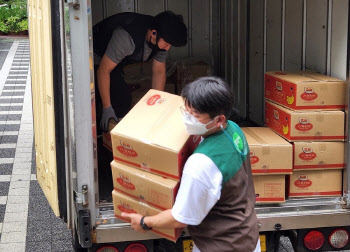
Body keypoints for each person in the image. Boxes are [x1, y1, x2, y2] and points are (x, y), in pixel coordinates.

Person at [121, 76, 260, 252]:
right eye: (186, 111)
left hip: (221, 245)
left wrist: (144, 222)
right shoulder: (233, 129)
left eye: (195, 115)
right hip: (246, 234)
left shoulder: (201, 164)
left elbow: (181, 217)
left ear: (218, 119)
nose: (188, 119)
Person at [93, 11, 187, 132]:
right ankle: (106, 136)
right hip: (92, 57)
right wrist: (107, 108)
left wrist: (155, 106)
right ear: (154, 33)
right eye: (167, 44)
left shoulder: (159, 39)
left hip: (113, 59)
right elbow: (103, 70)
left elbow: (159, 71)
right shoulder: (127, 37)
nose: (168, 48)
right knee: (117, 99)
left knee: (121, 99)